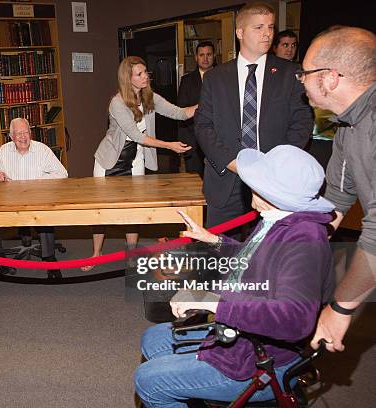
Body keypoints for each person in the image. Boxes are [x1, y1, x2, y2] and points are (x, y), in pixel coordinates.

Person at [134, 145, 335, 407]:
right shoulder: (277, 218)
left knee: (148, 381)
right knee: (152, 340)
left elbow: (294, 320)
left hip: (259, 360)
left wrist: (213, 303)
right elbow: (253, 261)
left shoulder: (304, 242)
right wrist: (212, 240)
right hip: (242, 336)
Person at [194, 2, 313, 233]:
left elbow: (302, 123)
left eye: (270, 26)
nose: (267, 33)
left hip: (275, 179)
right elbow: (203, 126)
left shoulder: (290, 73)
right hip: (226, 177)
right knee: (219, 256)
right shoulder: (215, 78)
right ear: (240, 32)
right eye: (258, 27)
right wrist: (235, 164)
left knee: (272, 255)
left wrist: (275, 165)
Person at [297, 26, 375, 353]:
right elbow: (337, 199)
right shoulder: (347, 124)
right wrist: (296, 245)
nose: (301, 80)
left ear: (330, 78)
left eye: (305, 73)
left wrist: (341, 307)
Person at [83, 56, 196, 271]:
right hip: (110, 162)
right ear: (128, 78)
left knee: (134, 211)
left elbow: (180, 113)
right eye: (140, 74)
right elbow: (137, 136)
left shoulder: (149, 97)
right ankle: (96, 253)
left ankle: (132, 254)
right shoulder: (117, 102)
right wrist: (169, 145)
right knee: (101, 212)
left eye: (146, 73)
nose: (146, 77)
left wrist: (208, 103)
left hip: (135, 159)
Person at [0, 118, 68, 280]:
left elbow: (63, 174)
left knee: (45, 215)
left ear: (30, 133)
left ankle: (49, 258)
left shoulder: (43, 150)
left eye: (26, 132)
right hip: (11, 202)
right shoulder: (3, 152)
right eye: (18, 133)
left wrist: (38, 181)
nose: (23, 137)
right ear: (11, 136)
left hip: (38, 199)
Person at [177, 41, 216, 177]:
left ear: (214, 56)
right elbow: (181, 110)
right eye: (201, 55)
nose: (205, 58)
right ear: (196, 57)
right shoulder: (186, 80)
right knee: (194, 180)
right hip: (193, 138)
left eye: (209, 54)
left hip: (218, 140)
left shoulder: (224, 77)